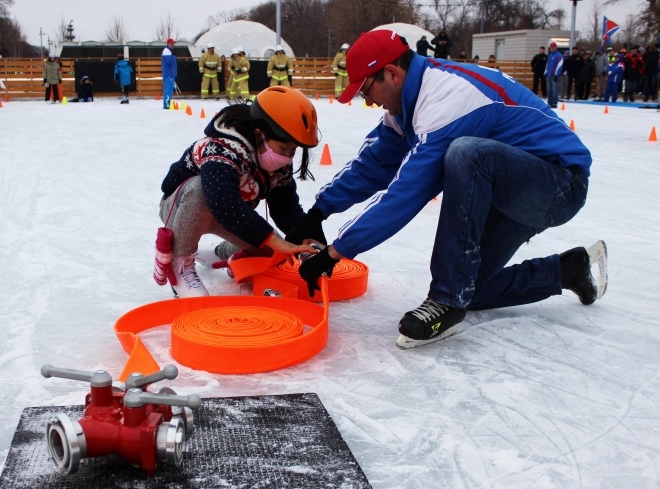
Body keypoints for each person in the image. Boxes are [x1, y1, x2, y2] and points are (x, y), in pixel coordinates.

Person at [287, 29, 602, 348]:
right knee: (472, 288)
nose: (367, 100)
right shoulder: (407, 105)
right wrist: (318, 212)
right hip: (509, 186)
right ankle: (566, 271)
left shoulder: (446, 98)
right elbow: (373, 164)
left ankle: (446, 301)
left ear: (392, 73)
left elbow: (406, 193)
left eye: (366, 89)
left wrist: (335, 252)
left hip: (559, 184)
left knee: (466, 155)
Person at [157, 86, 319, 298]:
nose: (287, 157)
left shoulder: (279, 165)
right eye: (283, 149)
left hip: (229, 215)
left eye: (293, 151)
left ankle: (216, 254)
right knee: (200, 189)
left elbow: (286, 208)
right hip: (182, 209)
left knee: (276, 253)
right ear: (260, 135)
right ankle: (181, 265)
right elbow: (222, 201)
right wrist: (275, 239)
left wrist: (308, 240)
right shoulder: (223, 148)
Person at [545, 42, 563, 109]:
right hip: (549, 74)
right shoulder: (550, 55)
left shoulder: (559, 55)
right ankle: (549, 102)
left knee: (555, 90)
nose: (552, 48)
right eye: (551, 47)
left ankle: (554, 102)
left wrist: (556, 74)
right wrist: (545, 73)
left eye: (553, 47)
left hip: (554, 75)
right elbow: (547, 65)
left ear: (556, 47)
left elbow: (560, 65)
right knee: (549, 89)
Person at [161, 38, 177, 110]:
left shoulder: (168, 51)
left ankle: (167, 103)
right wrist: (174, 57)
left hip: (169, 73)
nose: (173, 45)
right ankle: (167, 104)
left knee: (168, 89)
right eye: (172, 43)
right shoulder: (167, 51)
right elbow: (168, 61)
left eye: (173, 43)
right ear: (168, 43)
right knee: (168, 89)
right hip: (169, 73)